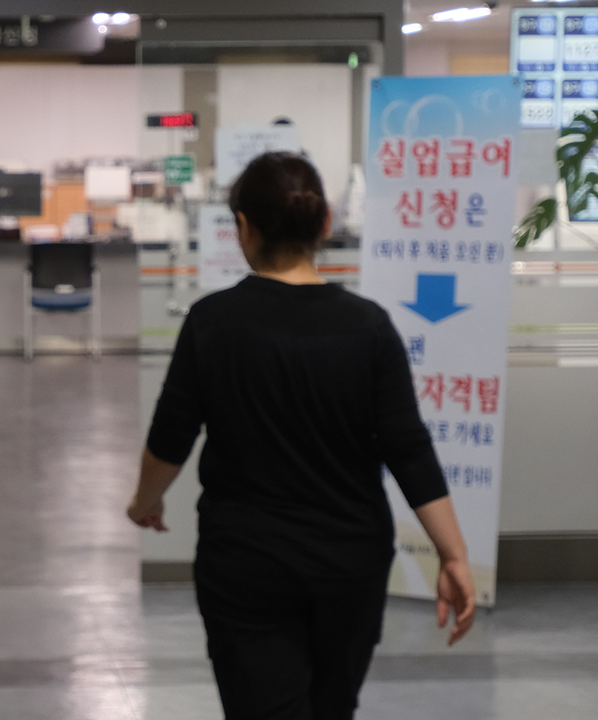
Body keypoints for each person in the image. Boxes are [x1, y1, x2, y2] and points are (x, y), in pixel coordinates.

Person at [127, 152, 475, 720]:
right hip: (350, 564)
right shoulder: (369, 327)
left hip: (245, 565)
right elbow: (408, 449)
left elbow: (171, 436)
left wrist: (144, 502)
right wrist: (453, 554)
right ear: (325, 222)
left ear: (244, 227)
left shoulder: (213, 322)